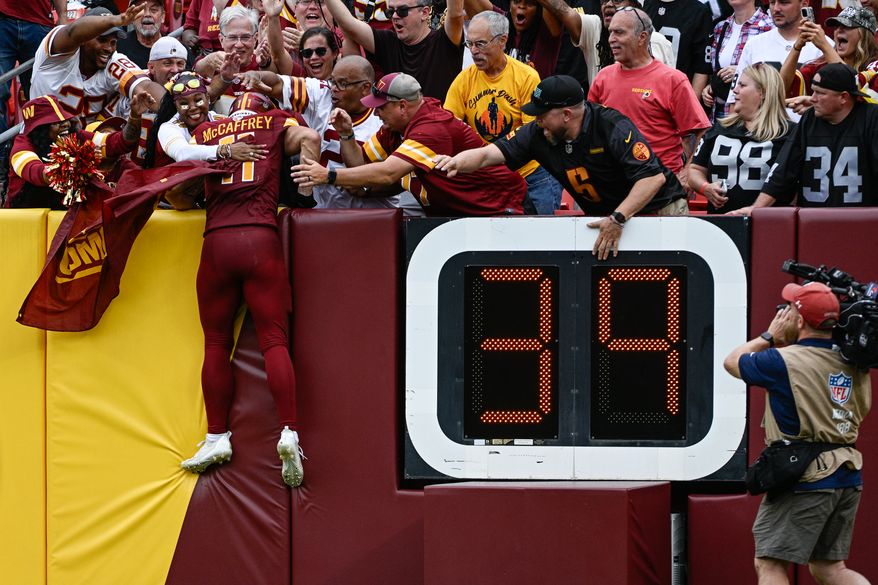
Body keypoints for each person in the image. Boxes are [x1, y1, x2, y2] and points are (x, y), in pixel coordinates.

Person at [178, 91, 321, 488]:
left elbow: (179, 186)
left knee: (215, 344)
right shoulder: (274, 122)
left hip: (217, 240)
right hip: (260, 237)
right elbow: (309, 138)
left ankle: (216, 435)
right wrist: (306, 189)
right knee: (274, 342)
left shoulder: (208, 130)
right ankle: (289, 431)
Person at [434, 75, 689, 260]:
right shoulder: (538, 132)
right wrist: (455, 162)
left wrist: (618, 219)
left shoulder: (612, 126)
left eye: (543, 113)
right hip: (609, 217)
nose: (537, 119)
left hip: (656, 210)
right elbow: (488, 154)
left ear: (566, 114)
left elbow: (652, 179)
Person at [723, 282, 871, 585]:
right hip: (847, 473)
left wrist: (769, 337)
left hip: (806, 476)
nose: (784, 313)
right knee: (830, 569)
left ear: (800, 319)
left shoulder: (781, 360)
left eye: (789, 308)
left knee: (770, 564)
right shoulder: (855, 361)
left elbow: (732, 361)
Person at [292, 72, 529, 216]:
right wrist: (347, 135)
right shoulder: (395, 126)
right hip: (460, 212)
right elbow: (360, 165)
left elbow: (387, 174)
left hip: (499, 209)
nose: (375, 115)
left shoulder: (431, 127)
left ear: (402, 106)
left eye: (381, 108)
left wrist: (329, 176)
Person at [240, 56, 422, 212]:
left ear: (366, 87)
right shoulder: (322, 93)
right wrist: (257, 75)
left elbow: (393, 181)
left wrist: (362, 187)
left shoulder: (384, 120)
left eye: (342, 84)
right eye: (333, 80)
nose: (333, 88)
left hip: (372, 215)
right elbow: (278, 83)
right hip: (323, 212)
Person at [445, 10, 563, 215]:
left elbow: (533, 132)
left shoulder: (526, 76)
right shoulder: (463, 80)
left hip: (532, 177)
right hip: (488, 178)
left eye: (480, 44)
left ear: (502, 40)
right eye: (469, 44)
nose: (473, 51)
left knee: (541, 241)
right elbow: (448, 126)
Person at [588, 7, 710, 188]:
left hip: (663, 187)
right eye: (610, 32)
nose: (611, 39)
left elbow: (701, 131)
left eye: (619, 32)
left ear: (642, 37)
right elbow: (588, 129)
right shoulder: (603, 78)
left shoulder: (672, 80)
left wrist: (688, 172)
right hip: (616, 186)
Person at [740, 62, 878, 213]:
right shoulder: (809, 119)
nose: (812, 99)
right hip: (813, 222)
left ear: (843, 97)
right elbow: (783, 171)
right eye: (813, 91)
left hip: (862, 223)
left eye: (820, 93)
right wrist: (756, 208)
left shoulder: (871, 119)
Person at [5, 94, 149, 209]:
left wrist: (134, 117)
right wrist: (80, 161)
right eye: (56, 123)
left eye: (65, 119)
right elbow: (41, 175)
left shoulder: (75, 136)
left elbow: (120, 143)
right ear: (40, 130)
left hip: (60, 217)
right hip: (22, 223)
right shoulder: (21, 147)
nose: (65, 125)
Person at [30, 4, 163, 124]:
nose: (108, 48)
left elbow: (145, 86)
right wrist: (115, 20)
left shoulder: (113, 60)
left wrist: (172, 111)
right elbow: (72, 32)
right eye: (102, 40)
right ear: (83, 38)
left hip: (85, 144)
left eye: (113, 42)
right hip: (41, 139)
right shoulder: (58, 55)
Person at [689, 65, 794, 214]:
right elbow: (695, 170)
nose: (735, 90)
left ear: (763, 92)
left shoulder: (787, 133)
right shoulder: (719, 128)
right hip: (721, 223)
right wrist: (706, 188)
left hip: (769, 224)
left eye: (742, 85)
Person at [320, 0, 465, 100]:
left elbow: (456, 13)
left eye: (402, 11)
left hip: (439, 130)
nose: (395, 17)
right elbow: (348, 23)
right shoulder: (388, 41)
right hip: (397, 133)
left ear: (425, 13)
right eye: (390, 12)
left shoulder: (444, 40)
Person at [728, 0, 830, 121]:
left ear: (804, 4)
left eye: (784, 3)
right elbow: (735, 101)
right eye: (772, 3)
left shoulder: (825, 46)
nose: (776, 8)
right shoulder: (754, 44)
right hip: (760, 133)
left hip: (805, 133)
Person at [144, 71, 269, 170]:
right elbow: (182, 153)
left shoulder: (220, 120)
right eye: (184, 103)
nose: (193, 108)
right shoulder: (168, 128)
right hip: (169, 196)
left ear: (208, 98)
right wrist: (226, 150)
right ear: (176, 106)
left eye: (198, 100)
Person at [535, 0, 674, 87]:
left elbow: (669, 93)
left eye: (617, 0)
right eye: (604, 0)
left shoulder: (655, 41)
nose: (608, 4)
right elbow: (563, 10)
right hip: (604, 126)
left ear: (636, 6)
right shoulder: (595, 28)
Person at [781, 6, 878, 112]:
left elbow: (852, 86)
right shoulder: (822, 64)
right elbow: (782, 87)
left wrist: (824, 45)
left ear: (864, 35)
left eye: (847, 26)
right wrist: (797, 46)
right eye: (836, 26)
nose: (839, 30)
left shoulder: (875, 65)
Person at [0, 0, 66, 152]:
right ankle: (2, 158)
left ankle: (48, 156)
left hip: (39, 22)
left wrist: (62, 16)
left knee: (44, 100)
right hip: (5, 19)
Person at [701, 0, 773, 119]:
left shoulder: (769, 26)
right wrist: (711, 87)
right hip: (719, 114)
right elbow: (716, 69)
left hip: (752, 117)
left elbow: (775, 72)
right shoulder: (720, 27)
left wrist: (741, 72)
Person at [643, 0, 713, 96]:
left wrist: (690, 105)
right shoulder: (644, 5)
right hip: (643, 89)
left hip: (676, 92)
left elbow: (702, 67)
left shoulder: (698, 11)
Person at [116, 0, 166, 67]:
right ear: (132, 16)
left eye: (153, 10)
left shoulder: (176, 48)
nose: (147, 14)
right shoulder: (117, 46)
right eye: (140, 10)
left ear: (163, 16)